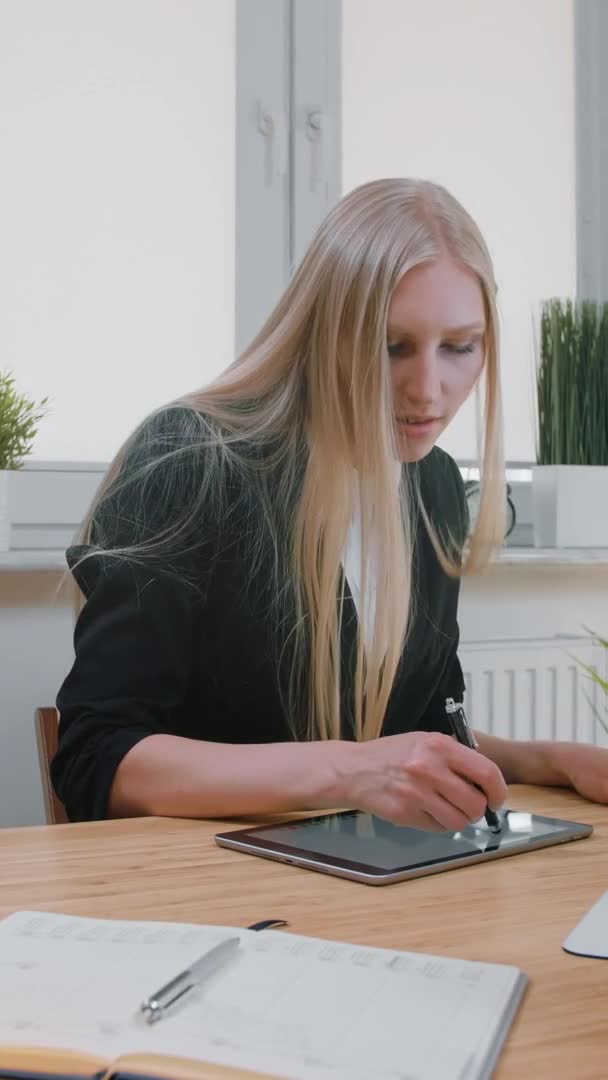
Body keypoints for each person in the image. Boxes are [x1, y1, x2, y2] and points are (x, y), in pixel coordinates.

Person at [52, 178, 608, 825]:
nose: (428, 389)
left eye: (459, 346)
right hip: (207, 891)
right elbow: (96, 756)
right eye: (389, 345)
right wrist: (350, 770)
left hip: (360, 881)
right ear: (323, 332)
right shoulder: (190, 461)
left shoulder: (433, 489)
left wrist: (554, 762)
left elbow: (415, 737)